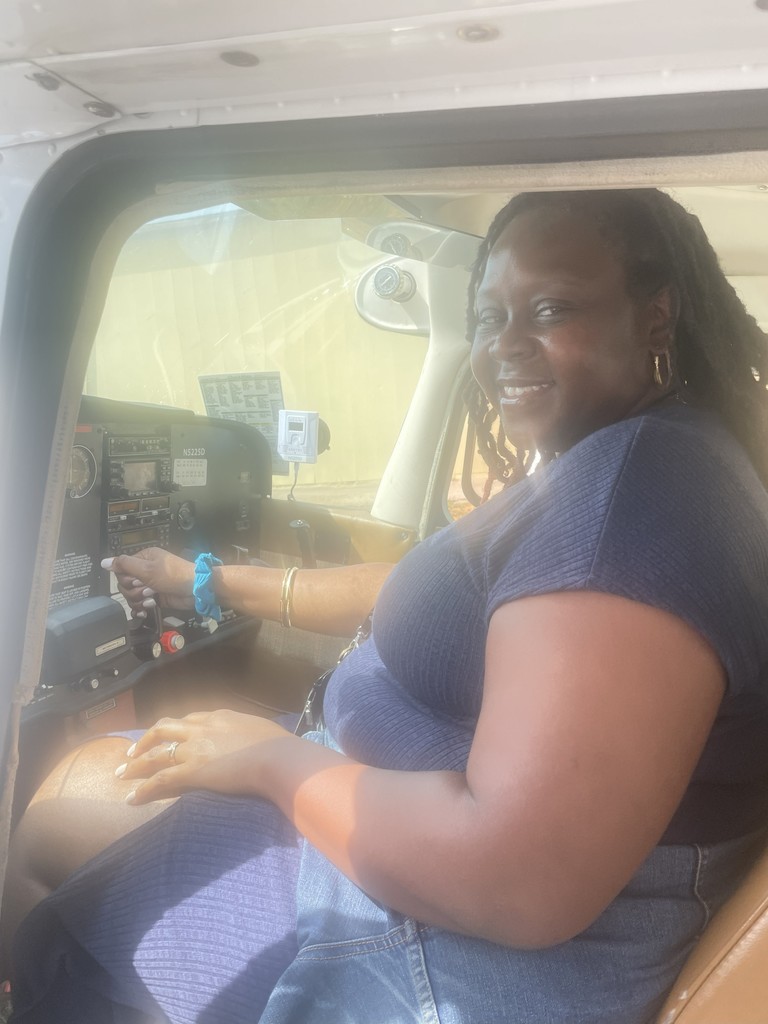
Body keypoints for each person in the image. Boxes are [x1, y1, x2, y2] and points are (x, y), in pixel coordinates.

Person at [5, 188, 768, 1024]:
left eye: (551, 309)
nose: (505, 345)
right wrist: (209, 581)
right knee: (57, 818)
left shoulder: (630, 504)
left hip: (427, 938)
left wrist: (270, 762)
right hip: (392, 838)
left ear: (656, 317)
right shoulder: (615, 462)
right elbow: (417, 591)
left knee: (52, 922)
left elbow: (516, 879)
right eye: (490, 317)